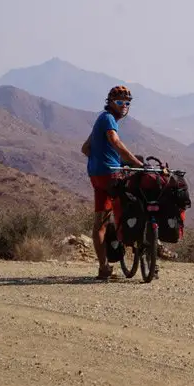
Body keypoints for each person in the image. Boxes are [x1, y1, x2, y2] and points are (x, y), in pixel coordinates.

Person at [81, 85, 143, 279]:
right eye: (119, 102)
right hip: (110, 175)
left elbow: (85, 148)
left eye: (127, 103)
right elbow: (114, 141)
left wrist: (101, 158)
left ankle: (104, 268)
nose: (124, 106)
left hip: (96, 176)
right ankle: (145, 243)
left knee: (100, 223)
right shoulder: (108, 119)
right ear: (110, 103)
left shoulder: (100, 119)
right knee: (136, 202)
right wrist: (136, 163)